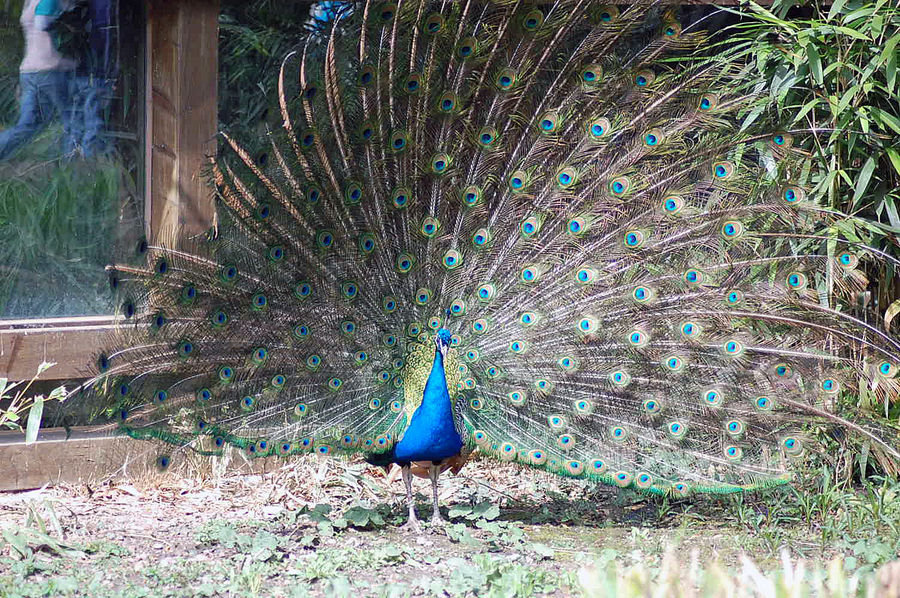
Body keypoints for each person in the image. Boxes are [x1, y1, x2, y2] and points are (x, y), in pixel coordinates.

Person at [0, 0, 76, 161]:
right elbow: (43, 23)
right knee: (71, 122)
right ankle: (73, 167)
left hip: (28, 71)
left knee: (27, 126)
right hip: (50, 69)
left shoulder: (30, 1)